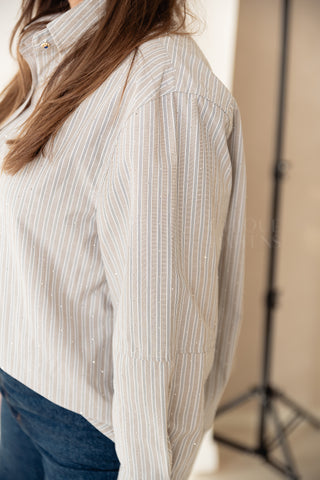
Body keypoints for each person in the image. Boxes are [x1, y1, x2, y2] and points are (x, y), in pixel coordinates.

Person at [0, 0, 247, 478]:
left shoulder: (164, 89)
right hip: (17, 391)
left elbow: (163, 333)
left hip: (83, 433)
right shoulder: (56, 47)